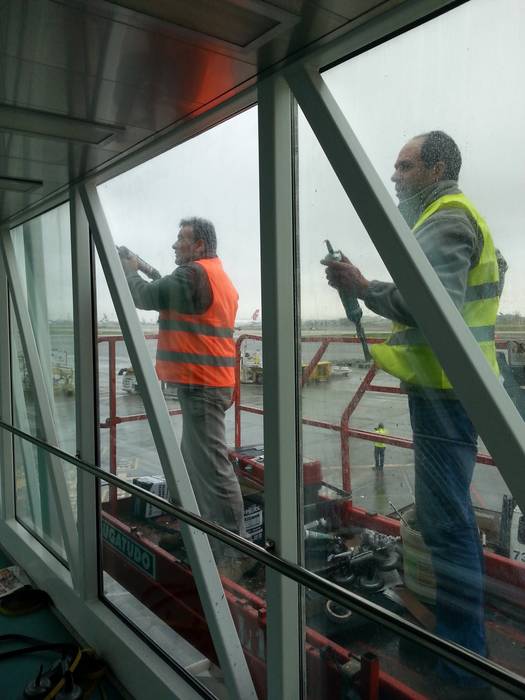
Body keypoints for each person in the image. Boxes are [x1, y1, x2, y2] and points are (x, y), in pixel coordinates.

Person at [323, 132, 500, 683]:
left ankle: (464, 663)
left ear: (437, 167)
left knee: (448, 527)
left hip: (448, 392)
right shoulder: (441, 219)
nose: (395, 176)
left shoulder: (447, 216)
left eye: (405, 166)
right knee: (448, 522)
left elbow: (433, 304)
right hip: (445, 389)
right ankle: (457, 645)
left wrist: (362, 285)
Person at [120, 217, 246, 552]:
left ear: (199, 246)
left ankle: (237, 548)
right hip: (211, 382)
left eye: (181, 238)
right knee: (193, 461)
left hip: (201, 384)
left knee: (213, 467)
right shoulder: (215, 276)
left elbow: (145, 296)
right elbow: (180, 300)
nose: (175, 244)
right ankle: (200, 530)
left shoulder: (192, 274)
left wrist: (131, 270)